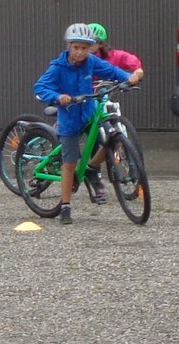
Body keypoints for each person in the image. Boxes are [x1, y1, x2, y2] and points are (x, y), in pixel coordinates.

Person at [32, 22, 143, 224]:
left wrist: (130, 77)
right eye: (76, 47)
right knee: (69, 162)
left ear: (90, 48)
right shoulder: (57, 67)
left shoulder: (91, 62)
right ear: (69, 46)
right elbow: (40, 86)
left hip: (89, 114)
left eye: (85, 48)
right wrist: (59, 97)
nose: (80, 52)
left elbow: (112, 71)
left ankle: (91, 168)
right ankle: (65, 205)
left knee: (113, 140)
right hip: (69, 118)